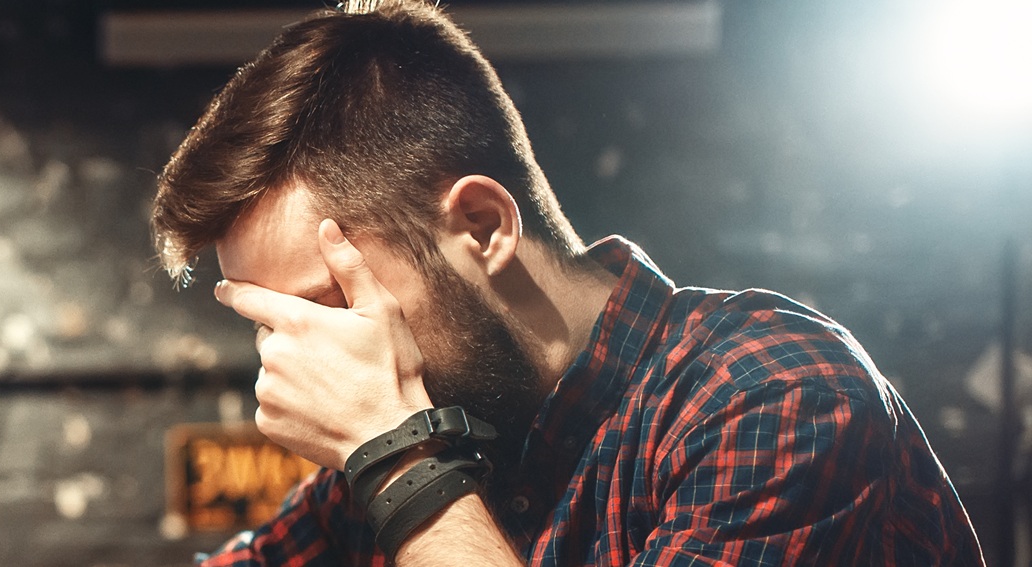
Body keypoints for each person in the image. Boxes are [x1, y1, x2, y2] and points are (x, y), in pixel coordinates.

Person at [149, 1, 985, 565]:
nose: (309, 362)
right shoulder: (465, 419)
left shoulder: (776, 391)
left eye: (327, 308)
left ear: (481, 228)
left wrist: (401, 459)